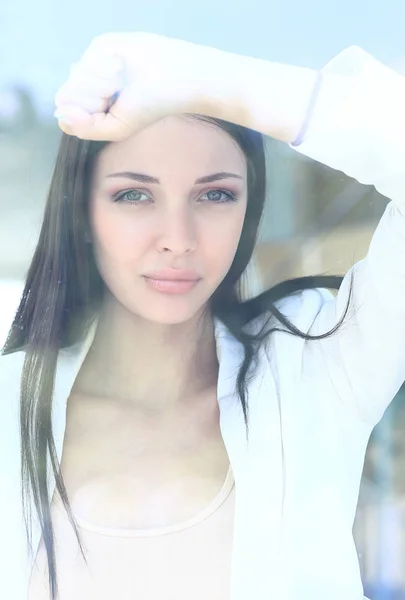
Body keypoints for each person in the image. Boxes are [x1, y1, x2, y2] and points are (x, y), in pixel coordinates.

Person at [1, 31, 404, 600]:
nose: (178, 239)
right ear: (82, 210)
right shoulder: (9, 406)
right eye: (134, 196)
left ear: (250, 205)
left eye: (215, 195)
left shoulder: (314, 368)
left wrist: (212, 80)